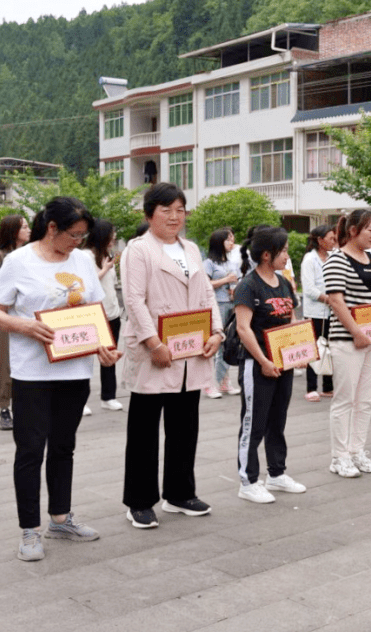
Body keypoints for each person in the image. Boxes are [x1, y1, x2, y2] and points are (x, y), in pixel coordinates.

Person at [0, 196, 121, 562]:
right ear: (52, 228)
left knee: (64, 445)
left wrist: (103, 348)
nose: (78, 241)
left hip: (75, 370)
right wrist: (24, 324)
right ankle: (29, 529)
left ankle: (60, 517)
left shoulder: (82, 260)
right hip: (32, 373)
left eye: (83, 235)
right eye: (73, 234)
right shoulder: (19, 261)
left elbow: (95, 310)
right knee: (30, 450)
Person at [121, 183, 223, 527]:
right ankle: (139, 500)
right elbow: (134, 300)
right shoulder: (138, 250)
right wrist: (153, 343)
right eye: (166, 210)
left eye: (180, 210)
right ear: (149, 214)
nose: (174, 216)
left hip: (190, 348)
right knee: (144, 429)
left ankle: (179, 493)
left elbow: (208, 294)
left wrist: (218, 333)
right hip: (158, 350)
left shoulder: (191, 248)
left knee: (184, 425)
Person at [234, 226, 307, 503]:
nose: (287, 255)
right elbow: (243, 328)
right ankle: (248, 480)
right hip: (258, 364)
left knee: (278, 420)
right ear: (267, 255)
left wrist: (300, 347)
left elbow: (290, 320)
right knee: (254, 422)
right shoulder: (248, 285)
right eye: (284, 250)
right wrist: (263, 361)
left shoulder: (284, 282)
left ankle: (276, 474)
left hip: (284, 362)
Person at [323, 210, 371, 477]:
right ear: (353, 230)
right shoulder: (336, 259)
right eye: (370, 230)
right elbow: (336, 300)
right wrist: (356, 332)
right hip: (347, 339)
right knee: (345, 399)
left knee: (365, 400)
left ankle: (357, 451)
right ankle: (339, 456)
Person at [0, 215, 31, 430]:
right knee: (3, 363)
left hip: (26, 318)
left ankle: (23, 406)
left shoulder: (31, 254)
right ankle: (4, 408)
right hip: (4, 318)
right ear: (13, 231)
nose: (29, 229)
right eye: (24, 226)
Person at [83, 219, 124, 412]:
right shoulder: (85, 256)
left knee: (110, 356)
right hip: (92, 314)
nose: (114, 238)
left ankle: (108, 397)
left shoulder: (106, 255)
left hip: (112, 313)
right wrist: (106, 269)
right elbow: (85, 284)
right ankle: (79, 400)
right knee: (84, 359)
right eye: (111, 234)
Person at [203, 228, 242, 398]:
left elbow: (237, 280)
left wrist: (235, 289)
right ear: (219, 242)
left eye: (232, 238)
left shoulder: (232, 263)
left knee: (229, 344)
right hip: (215, 305)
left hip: (230, 305)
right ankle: (210, 384)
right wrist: (226, 280)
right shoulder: (209, 263)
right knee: (216, 344)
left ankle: (223, 381)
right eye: (228, 239)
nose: (232, 242)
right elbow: (205, 285)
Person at [301, 225, 337, 402]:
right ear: (320, 240)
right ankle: (311, 387)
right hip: (314, 311)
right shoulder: (310, 260)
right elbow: (309, 288)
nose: (333, 241)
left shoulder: (333, 257)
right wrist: (328, 299)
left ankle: (328, 386)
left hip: (331, 311)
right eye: (330, 238)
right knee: (313, 349)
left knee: (329, 347)